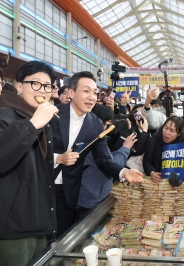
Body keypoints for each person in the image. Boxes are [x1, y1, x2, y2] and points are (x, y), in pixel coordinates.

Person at [0, 61, 59, 266]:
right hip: (10, 226)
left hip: (37, 221)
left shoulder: (41, 120)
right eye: (35, 84)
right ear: (20, 86)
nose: (42, 90)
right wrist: (32, 125)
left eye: (47, 86)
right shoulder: (1, 115)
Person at [51, 71, 144, 236]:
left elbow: (103, 159)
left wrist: (123, 171)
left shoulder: (96, 124)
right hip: (41, 184)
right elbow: (34, 151)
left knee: (60, 236)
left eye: (94, 93)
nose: (92, 97)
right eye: (86, 91)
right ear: (71, 93)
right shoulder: (53, 115)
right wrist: (58, 158)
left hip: (67, 191)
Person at [76, 104, 135, 218]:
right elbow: (110, 165)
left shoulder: (90, 136)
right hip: (89, 200)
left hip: (90, 197)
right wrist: (125, 149)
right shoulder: (93, 140)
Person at [143, 116, 184, 183]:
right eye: (166, 128)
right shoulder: (154, 138)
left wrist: (180, 178)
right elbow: (147, 161)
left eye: (172, 130)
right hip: (156, 182)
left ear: (179, 134)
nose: (167, 132)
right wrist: (152, 173)